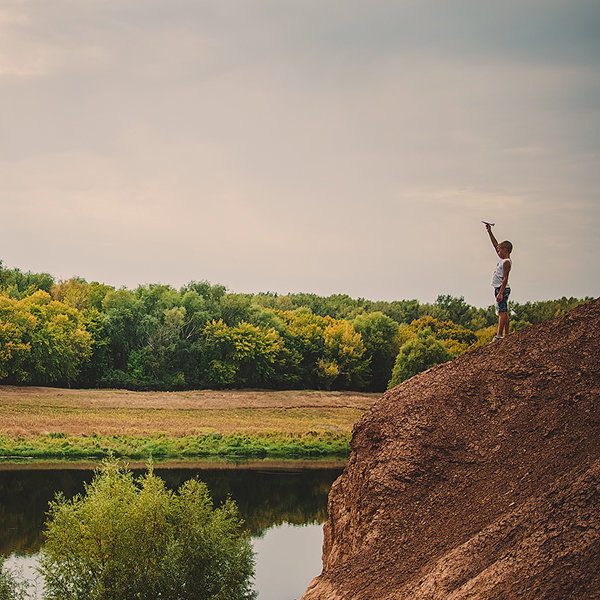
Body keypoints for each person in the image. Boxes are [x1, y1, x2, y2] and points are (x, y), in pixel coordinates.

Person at [485, 223, 512, 341]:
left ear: (505, 250)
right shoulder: (503, 260)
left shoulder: (506, 262)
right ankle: (506, 334)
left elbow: (505, 278)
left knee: (501, 312)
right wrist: (489, 232)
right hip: (500, 288)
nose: (497, 252)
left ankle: (499, 335)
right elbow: (495, 245)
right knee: (504, 311)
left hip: (502, 288)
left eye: (499, 250)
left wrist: (500, 292)